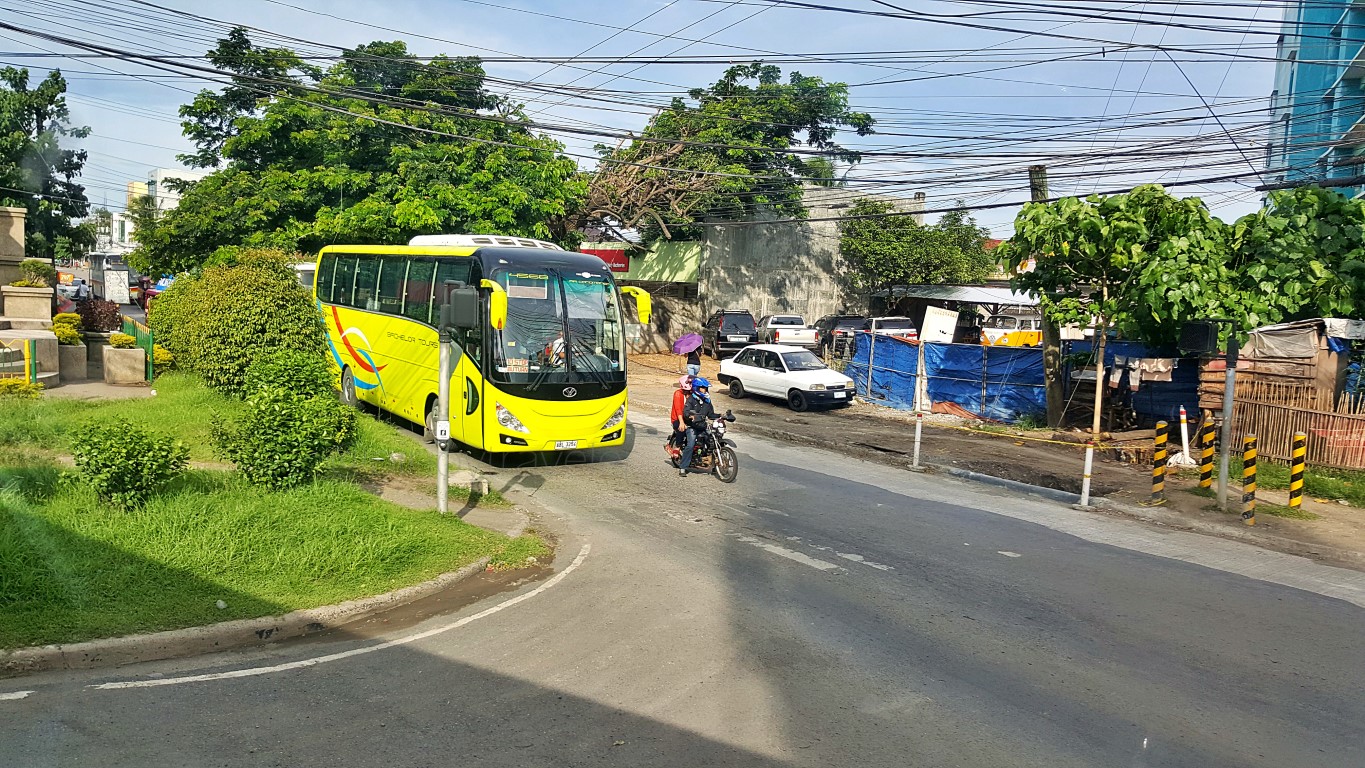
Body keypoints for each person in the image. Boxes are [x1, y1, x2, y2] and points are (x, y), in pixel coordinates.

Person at [679, 377, 719, 477]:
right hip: (692, 426)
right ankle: (683, 467)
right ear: (697, 388)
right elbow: (686, 413)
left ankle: (714, 465)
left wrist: (722, 416)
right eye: (702, 388)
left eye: (706, 388)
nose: (705, 390)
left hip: (703, 426)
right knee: (691, 444)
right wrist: (691, 416)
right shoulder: (691, 400)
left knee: (713, 441)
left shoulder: (707, 401)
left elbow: (711, 415)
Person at [667, 374, 692, 459]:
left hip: (688, 417)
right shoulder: (678, 394)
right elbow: (678, 409)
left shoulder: (693, 393)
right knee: (682, 428)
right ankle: (677, 447)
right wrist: (681, 422)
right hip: (677, 419)